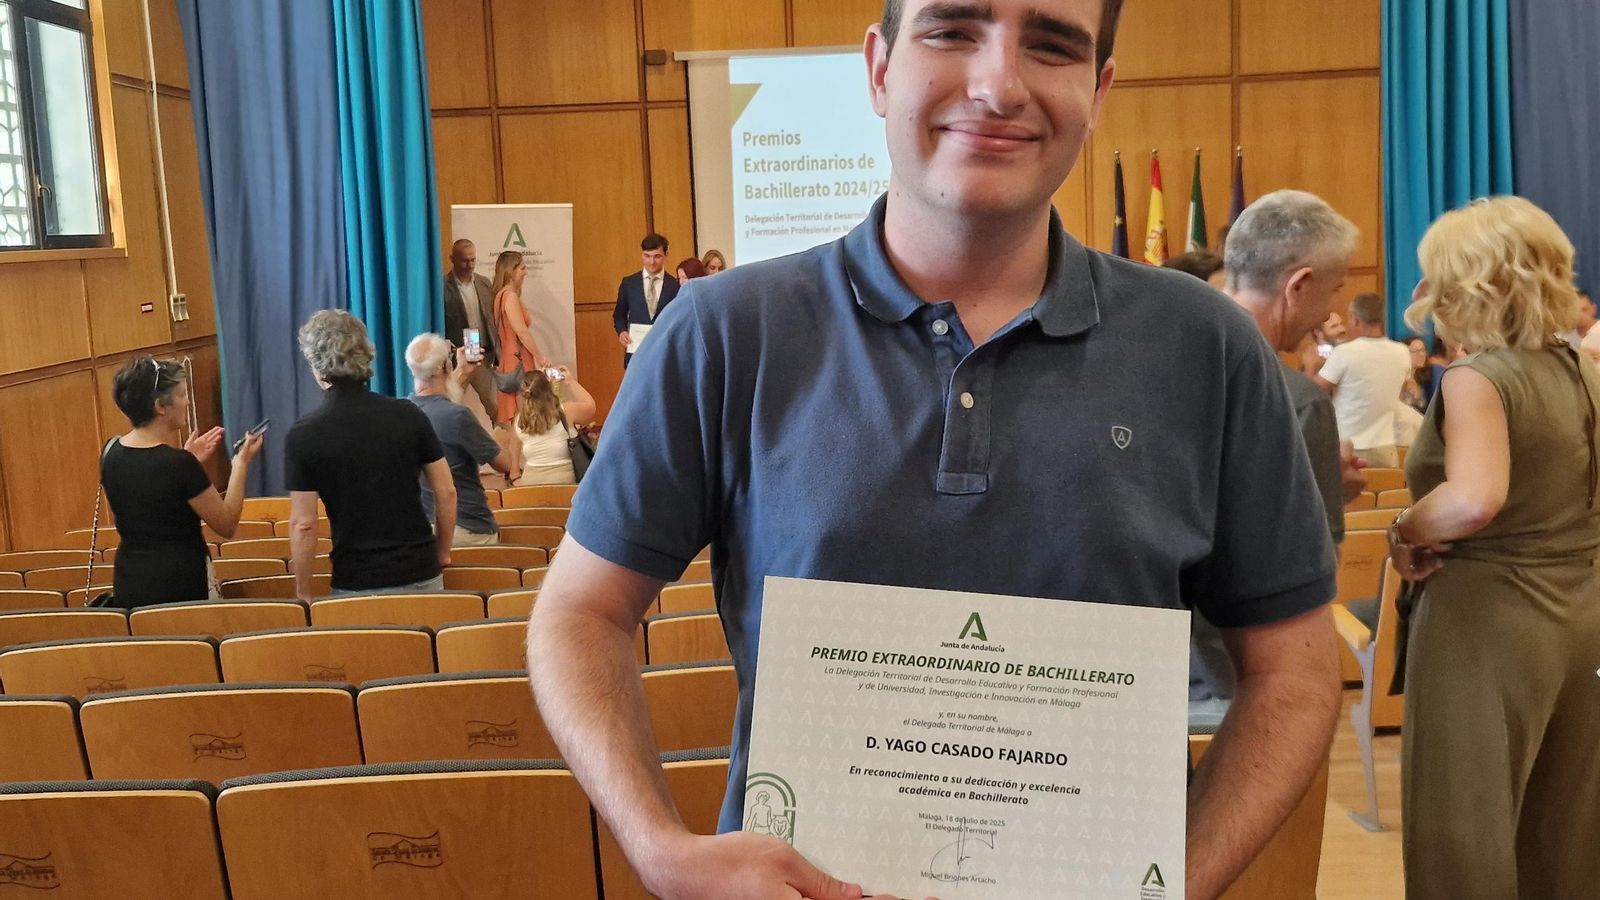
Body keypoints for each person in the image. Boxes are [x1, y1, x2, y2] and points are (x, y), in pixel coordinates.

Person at [527, 2, 1341, 898]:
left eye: (1052, 45)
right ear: (880, 69)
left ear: (1098, 91)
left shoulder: (1208, 347)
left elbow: (1295, 671)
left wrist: (1172, 886)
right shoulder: (723, 333)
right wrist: (656, 847)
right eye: (953, 30)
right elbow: (580, 613)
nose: (998, 84)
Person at [1389, 196, 1600, 897]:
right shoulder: (1585, 370)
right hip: (1582, 611)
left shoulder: (1479, 376)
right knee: (1565, 827)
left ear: (1468, 282)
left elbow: (1474, 499)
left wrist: (1404, 529)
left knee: (1463, 824)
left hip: (1488, 621)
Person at [1207, 190, 1365, 712]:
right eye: (1334, 291)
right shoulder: (1296, 401)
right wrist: (1330, 492)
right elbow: (1314, 567)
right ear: (1298, 286)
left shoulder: (1150, 367)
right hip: (1247, 674)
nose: (1330, 311)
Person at [285, 311, 456, 599]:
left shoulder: (304, 434)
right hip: (419, 571)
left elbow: (304, 524)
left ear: (316, 364)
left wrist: (302, 590)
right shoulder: (409, 414)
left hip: (355, 580)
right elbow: (447, 491)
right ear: (365, 353)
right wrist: (442, 553)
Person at [102, 357, 262, 607]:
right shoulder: (178, 464)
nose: (187, 401)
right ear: (160, 406)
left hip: (130, 581)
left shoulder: (110, 451)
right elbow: (227, 524)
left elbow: (147, 498)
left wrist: (189, 461)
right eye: (182, 395)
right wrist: (240, 464)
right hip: (181, 584)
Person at [406, 333, 515, 547]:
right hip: (470, 530)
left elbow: (437, 404)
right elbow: (505, 464)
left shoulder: (402, 412)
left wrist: (462, 371)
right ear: (447, 366)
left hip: (422, 530)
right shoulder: (458, 417)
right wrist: (500, 437)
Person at [1314, 292, 1411, 467]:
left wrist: (1309, 366)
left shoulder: (1345, 353)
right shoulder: (1402, 352)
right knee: (1388, 487)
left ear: (1355, 319)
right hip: (1386, 448)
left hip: (1348, 448)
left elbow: (1314, 392)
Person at [442, 239, 499, 419]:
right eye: (464, 261)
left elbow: (492, 318)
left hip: (482, 351)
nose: (470, 265)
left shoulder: (484, 283)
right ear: (452, 259)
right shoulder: (442, 286)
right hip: (459, 353)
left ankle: (503, 435)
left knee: (496, 406)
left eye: (473, 260)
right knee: (449, 403)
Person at [491, 249, 549, 424]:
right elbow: (522, 332)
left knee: (517, 415)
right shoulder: (510, 297)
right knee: (523, 415)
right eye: (522, 268)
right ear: (511, 271)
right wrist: (540, 357)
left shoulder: (500, 296)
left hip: (509, 358)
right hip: (518, 360)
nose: (526, 273)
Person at [511, 367, 596, 486]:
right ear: (548, 388)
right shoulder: (566, 411)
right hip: (564, 482)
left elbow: (514, 446)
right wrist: (571, 382)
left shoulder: (520, 420)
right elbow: (591, 407)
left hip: (531, 483)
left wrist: (515, 475)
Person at [613, 233, 679, 368]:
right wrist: (622, 331)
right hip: (636, 353)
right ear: (642, 255)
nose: (651, 262)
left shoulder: (675, 285)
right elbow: (619, 315)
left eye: (657, 256)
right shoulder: (629, 283)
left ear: (666, 255)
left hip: (665, 354)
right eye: (647, 256)